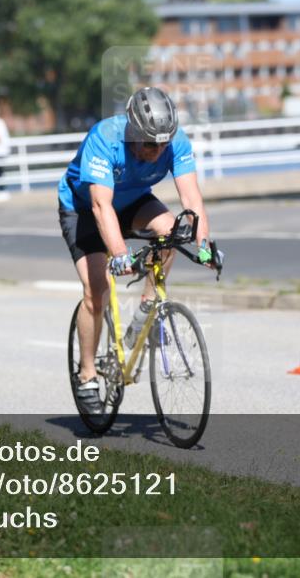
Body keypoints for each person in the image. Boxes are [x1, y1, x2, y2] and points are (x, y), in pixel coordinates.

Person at [57, 87, 216, 414]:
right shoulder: (105, 138)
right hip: (84, 208)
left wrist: (205, 246)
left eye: (163, 145)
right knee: (97, 290)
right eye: (149, 144)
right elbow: (101, 207)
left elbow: (191, 200)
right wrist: (119, 254)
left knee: (173, 231)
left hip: (132, 202)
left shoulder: (175, 141)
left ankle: (147, 306)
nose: (157, 151)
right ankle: (87, 374)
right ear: (133, 132)